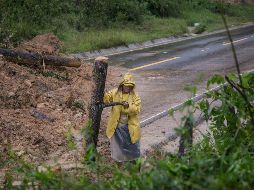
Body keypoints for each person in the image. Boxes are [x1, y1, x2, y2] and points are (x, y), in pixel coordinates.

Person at [104, 73, 141, 162]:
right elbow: (106, 99)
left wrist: (127, 107)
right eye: (126, 86)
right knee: (118, 149)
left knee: (133, 150)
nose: (127, 88)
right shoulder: (115, 92)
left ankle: (135, 168)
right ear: (122, 85)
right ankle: (119, 167)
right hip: (116, 127)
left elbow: (137, 109)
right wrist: (104, 95)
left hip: (130, 127)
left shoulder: (135, 96)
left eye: (130, 86)